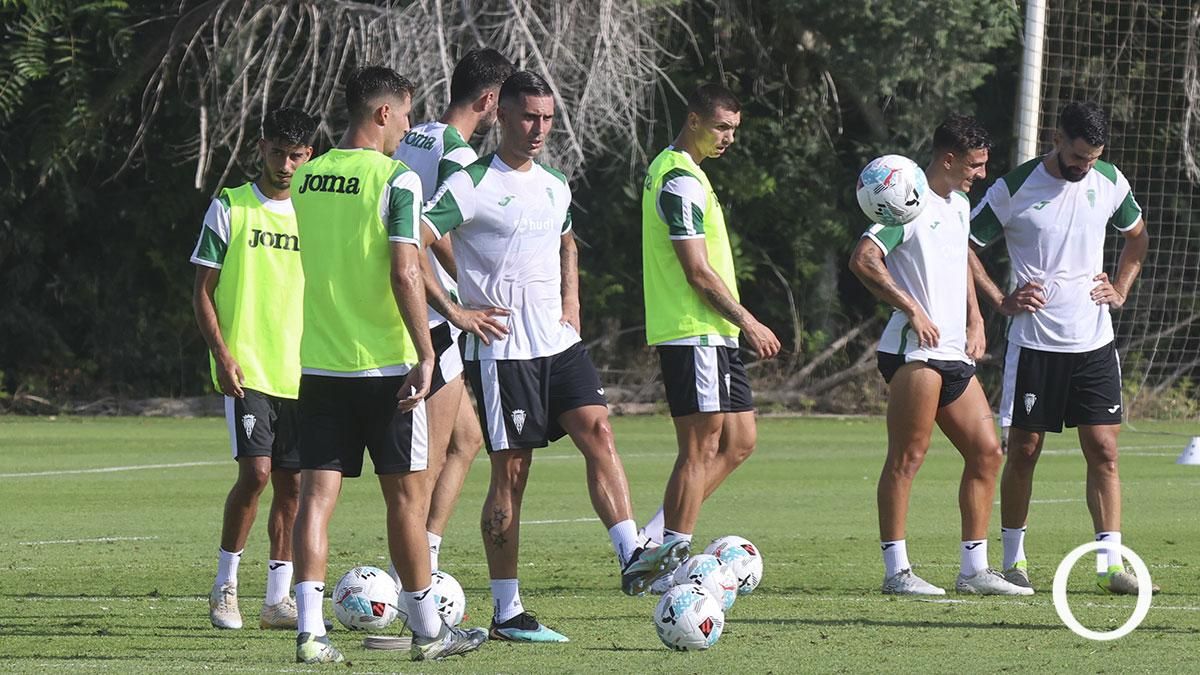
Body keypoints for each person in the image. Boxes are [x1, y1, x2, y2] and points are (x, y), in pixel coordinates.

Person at [420, 71, 671, 643]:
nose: (539, 128)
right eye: (529, 116)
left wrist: (572, 303)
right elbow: (413, 238)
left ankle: (632, 554)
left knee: (600, 432)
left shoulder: (557, 183)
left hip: (558, 344)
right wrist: (458, 311)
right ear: (502, 116)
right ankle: (507, 612)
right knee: (513, 474)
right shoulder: (472, 181)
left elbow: (566, 240)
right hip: (502, 354)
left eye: (548, 118)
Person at [288, 66, 487, 664]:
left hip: (320, 365)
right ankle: (428, 632)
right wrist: (428, 350)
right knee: (405, 500)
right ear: (381, 114)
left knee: (316, 499)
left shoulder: (307, 177)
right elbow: (405, 269)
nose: (408, 126)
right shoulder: (395, 179)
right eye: (404, 114)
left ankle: (311, 633)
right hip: (384, 367)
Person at [968, 101, 1153, 594]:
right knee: (1025, 451)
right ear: (1056, 137)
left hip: (1093, 342)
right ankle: (1014, 561)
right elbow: (963, 247)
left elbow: (1136, 236)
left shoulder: (1110, 181)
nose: (1083, 166)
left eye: (1092, 158)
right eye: (1077, 155)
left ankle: (1111, 566)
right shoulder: (1014, 188)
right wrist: (1000, 299)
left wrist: (1121, 287)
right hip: (1034, 345)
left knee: (1105, 450)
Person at [850, 115, 1031, 596]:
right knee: (908, 457)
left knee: (988, 453)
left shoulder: (959, 204)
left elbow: (962, 257)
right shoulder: (907, 204)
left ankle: (973, 571)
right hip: (916, 353)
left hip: (953, 352)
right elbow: (864, 258)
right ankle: (897, 572)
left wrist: (976, 316)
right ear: (948, 159)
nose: (981, 173)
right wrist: (912, 309)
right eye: (975, 164)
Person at [638, 83, 780, 587]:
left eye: (734, 130)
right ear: (694, 119)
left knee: (740, 441)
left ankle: (654, 539)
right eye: (722, 127)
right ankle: (667, 565)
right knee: (699, 448)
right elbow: (696, 272)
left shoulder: (691, 174)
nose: (729, 138)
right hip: (692, 330)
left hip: (714, 335)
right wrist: (749, 320)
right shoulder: (677, 180)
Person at [191, 107, 316, 630]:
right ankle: (225, 587)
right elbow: (201, 290)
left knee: (293, 487)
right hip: (249, 368)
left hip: (307, 370)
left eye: (297, 154)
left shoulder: (317, 213)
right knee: (256, 474)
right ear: (260, 147)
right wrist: (222, 353)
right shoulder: (231, 206)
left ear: (309, 155)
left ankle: (277, 600)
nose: (286, 164)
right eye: (278, 152)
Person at [391, 48, 513, 576]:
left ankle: (429, 555)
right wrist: (470, 284)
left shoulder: (415, 135)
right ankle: (409, 579)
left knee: (467, 439)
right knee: (430, 456)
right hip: (435, 317)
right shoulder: (459, 153)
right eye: (503, 105)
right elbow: (430, 227)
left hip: (408, 303)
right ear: (489, 101)